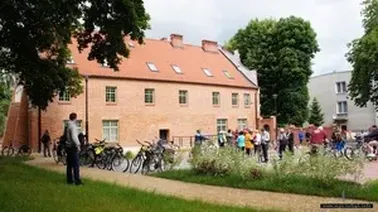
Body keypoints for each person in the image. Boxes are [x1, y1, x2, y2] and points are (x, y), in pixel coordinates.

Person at [65, 113, 83, 186]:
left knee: (69, 165)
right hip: (72, 147)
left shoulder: (67, 125)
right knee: (76, 165)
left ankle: (69, 180)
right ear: (75, 118)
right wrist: (78, 145)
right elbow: (74, 137)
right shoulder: (73, 127)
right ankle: (77, 181)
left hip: (68, 147)